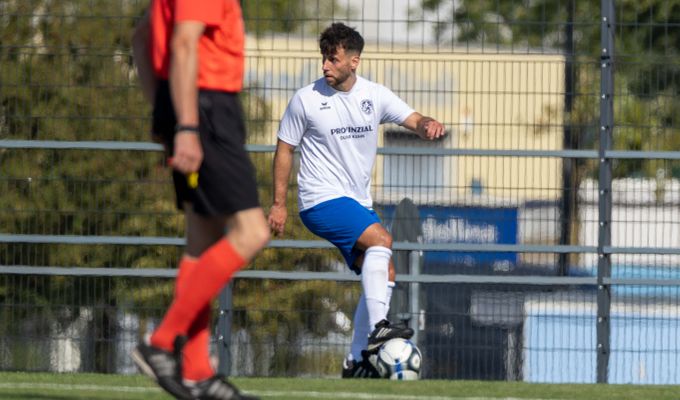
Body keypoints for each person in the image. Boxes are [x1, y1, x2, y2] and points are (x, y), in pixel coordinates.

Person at [267, 22, 445, 378]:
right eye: (324, 59)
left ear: (354, 61)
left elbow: (413, 119)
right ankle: (380, 328)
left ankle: (356, 361)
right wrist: (278, 203)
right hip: (319, 200)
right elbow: (285, 148)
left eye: (332, 59)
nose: (325, 67)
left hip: (355, 203)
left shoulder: (374, 96)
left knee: (383, 269)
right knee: (382, 240)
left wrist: (427, 125)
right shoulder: (306, 99)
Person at [131, 1, 269, 399]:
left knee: (202, 239)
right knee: (252, 232)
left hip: (188, 103)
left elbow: (141, 39)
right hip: (207, 108)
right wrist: (187, 125)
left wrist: (163, 112)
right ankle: (161, 341)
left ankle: (197, 373)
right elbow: (185, 44)